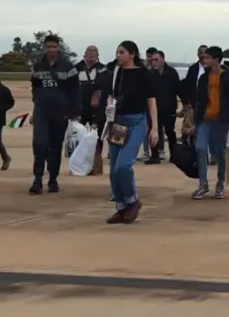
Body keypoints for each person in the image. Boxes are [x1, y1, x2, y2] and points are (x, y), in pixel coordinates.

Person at [104, 41, 157, 224]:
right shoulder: (116, 73)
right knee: (113, 170)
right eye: (117, 52)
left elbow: (151, 101)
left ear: (132, 54)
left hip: (136, 123)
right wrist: (109, 106)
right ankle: (121, 207)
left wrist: (154, 127)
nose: (118, 55)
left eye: (121, 52)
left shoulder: (143, 74)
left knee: (123, 165)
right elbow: (112, 94)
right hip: (118, 123)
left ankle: (132, 200)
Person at [28, 34, 80, 195]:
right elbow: (35, 88)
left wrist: (73, 112)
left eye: (54, 47)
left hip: (60, 112)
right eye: (48, 47)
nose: (51, 50)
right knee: (40, 144)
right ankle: (37, 179)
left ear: (58, 47)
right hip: (42, 110)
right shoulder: (38, 67)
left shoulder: (68, 67)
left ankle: (53, 179)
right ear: (45, 48)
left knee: (55, 147)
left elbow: (74, 91)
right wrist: (35, 108)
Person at [191, 47, 229, 199]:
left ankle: (220, 185)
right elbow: (200, 101)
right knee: (200, 148)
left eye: (207, 58)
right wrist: (195, 121)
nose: (204, 60)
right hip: (205, 119)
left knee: (219, 153)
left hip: (222, 121)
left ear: (216, 59)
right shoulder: (204, 78)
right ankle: (203, 184)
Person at [75, 45, 108, 175]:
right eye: (89, 51)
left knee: (97, 137)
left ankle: (97, 167)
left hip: (98, 109)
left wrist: (98, 94)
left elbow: (106, 86)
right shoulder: (76, 69)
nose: (92, 54)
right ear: (84, 54)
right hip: (80, 107)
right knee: (80, 136)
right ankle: (80, 165)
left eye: (94, 52)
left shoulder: (103, 70)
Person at [151, 50, 183, 163]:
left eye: (156, 59)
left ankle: (174, 155)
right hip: (155, 108)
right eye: (153, 60)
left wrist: (186, 104)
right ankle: (154, 155)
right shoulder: (151, 74)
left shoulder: (172, 72)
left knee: (170, 131)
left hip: (169, 107)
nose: (154, 62)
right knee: (154, 130)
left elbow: (178, 88)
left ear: (163, 60)